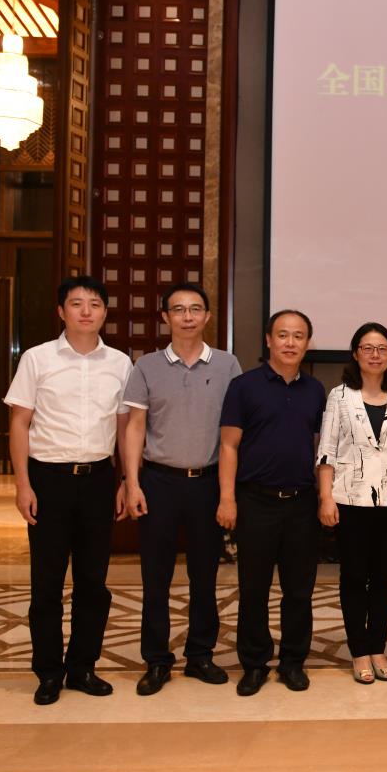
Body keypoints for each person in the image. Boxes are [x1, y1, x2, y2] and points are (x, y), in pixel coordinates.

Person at [3, 275, 132, 706]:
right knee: (47, 582)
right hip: (48, 480)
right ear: (61, 312)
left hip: (98, 480)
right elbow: (19, 423)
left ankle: (82, 667)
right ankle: (48, 671)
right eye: (76, 303)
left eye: (94, 304)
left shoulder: (120, 363)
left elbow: (124, 428)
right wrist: (23, 484)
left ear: (105, 313)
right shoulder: (37, 359)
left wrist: (124, 480)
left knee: (93, 582)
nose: (86, 311)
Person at [120, 281, 242, 696]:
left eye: (194, 309)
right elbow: (135, 427)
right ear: (165, 317)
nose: (187, 316)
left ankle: (200, 655)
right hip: (158, 482)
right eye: (178, 309)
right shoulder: (146, 366)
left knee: (204, 575)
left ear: (207, 316)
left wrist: (229, 492)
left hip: (207, 483)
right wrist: (132, 481)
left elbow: (235, 431)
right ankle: (156, 660)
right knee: (155, 577)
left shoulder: (227, 365)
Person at [217, 309, 326, 696]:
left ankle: (293, 662)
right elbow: (228, 446)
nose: (290, 343)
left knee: (299, 590)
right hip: (255, 502)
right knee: (254, 589)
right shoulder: (243, 386)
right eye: (283, 335)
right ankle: (254, 664)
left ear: (307, 343)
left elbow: (320, 448)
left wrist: (323, 497)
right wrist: (227, 498)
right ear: (268, 340)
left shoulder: (315, 390)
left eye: (298, 336)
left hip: (301, 503)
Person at [317, 322, 387, 685]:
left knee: (385, 579)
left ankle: (378, 647)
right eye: (367, 348)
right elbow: (327, 450)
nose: (375, 355)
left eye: (382, 349)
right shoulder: (339, 396)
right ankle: (359, 651)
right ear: (355, 354)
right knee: (354, 578)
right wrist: (325, 497)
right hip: (349, 501)